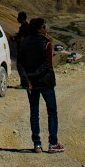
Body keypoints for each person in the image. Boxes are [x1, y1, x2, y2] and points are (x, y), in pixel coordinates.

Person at [16, 17, 64, 153]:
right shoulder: (47, 44)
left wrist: (26, 79)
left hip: (32, 84)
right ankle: (53, 143)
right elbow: (47, 65)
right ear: (39, 29)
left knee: (34, 113)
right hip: (46, 82)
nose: (46, 29)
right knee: (52, 112)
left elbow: (20, 64)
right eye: (44, 26)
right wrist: (34, 76)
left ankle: (37, 144)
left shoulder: (24, 43)